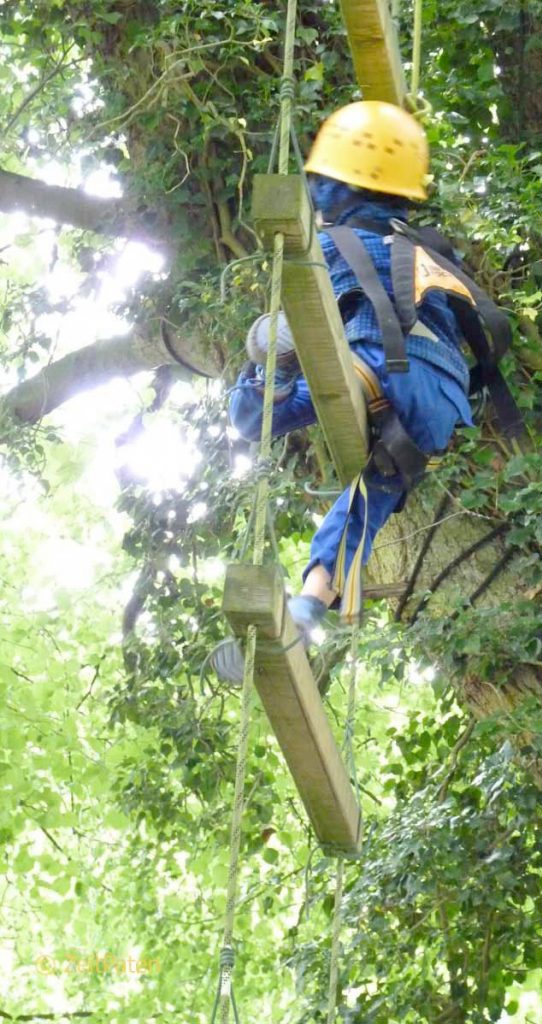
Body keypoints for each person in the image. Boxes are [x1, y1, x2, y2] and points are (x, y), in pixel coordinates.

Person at [212, 100, 474, 683]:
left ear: (335, 183)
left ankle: (268, 380)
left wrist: (274, 353)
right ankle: (310, 602)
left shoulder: (335, 245)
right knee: (370, 494)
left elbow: (313, 304)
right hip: (442, 402)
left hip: (382, 365)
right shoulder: (430, 248)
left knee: (248, 414)